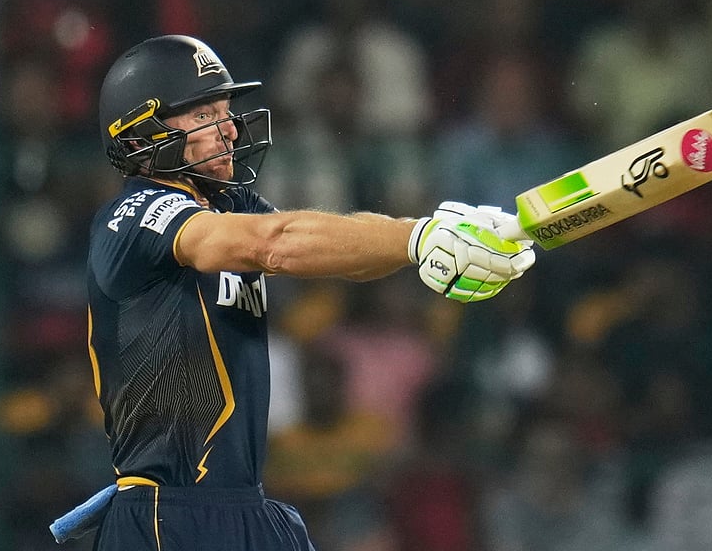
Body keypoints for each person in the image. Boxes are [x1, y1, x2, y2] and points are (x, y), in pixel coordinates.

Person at [50, 34, 535, 550]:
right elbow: (274, 244)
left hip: (244, 508)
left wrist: (425, 235)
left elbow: (321, 246)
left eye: (226, 111)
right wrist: (415, 238)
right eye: (203, 115)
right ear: (139, 135)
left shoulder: (230, 206)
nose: (230, 129)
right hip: (166, 517)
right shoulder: (133, 216)